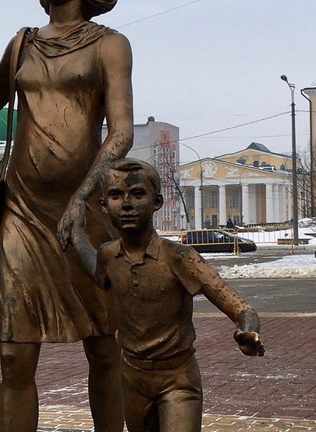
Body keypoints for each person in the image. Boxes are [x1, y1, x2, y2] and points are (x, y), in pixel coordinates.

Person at [0, 0, 133, 432]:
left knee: (104, 347)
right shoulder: (22, 45)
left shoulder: (110, 45)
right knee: (16, 358)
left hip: (87, 216)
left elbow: (121, 130)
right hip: (24, 214)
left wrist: (83, 197)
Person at [71, 159, 265, 432]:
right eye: (116, 195)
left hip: (177, 380)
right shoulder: (108, 255)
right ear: (104, 206)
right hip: (132, 378)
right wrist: (76, 234)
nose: (126, 204)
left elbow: (241, 308)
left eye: (137, 194)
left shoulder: (180, 258)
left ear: (157, 202)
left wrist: (248, 330)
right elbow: (96, 271)